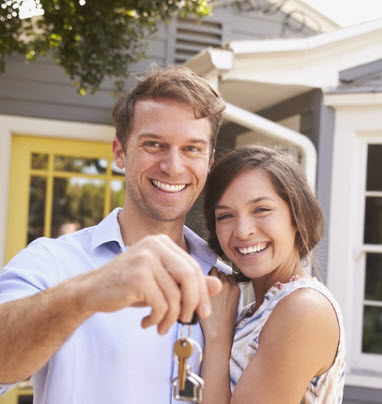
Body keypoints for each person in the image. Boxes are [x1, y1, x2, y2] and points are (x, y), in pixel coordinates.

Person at [0, 65, 229, 404]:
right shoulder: (52, 262)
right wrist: (89, 291)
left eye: (192, 149)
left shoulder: (227, 281)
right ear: (120, 151)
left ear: (209, 161)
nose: (174, 166)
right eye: (154, 144)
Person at [198, 145, 346, 403]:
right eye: (225, 215)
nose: (243, 231)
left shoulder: (303, 310)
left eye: (261, 209)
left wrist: (217, 336)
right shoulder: (256, 311)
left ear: (297, 216)